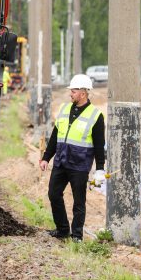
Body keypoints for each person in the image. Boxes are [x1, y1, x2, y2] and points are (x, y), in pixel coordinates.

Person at [39, 73, 106, 241]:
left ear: (83, 93)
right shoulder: (64, 109)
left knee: (79, 202)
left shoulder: (95, 116)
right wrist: (46, 157)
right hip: (61, 161)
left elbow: (99, 146)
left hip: (80, 165)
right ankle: (62, 230)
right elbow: (55, 136)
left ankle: (77, 235)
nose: (70, 93)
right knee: (54, 194)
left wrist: (99, 170)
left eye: (74, 91)